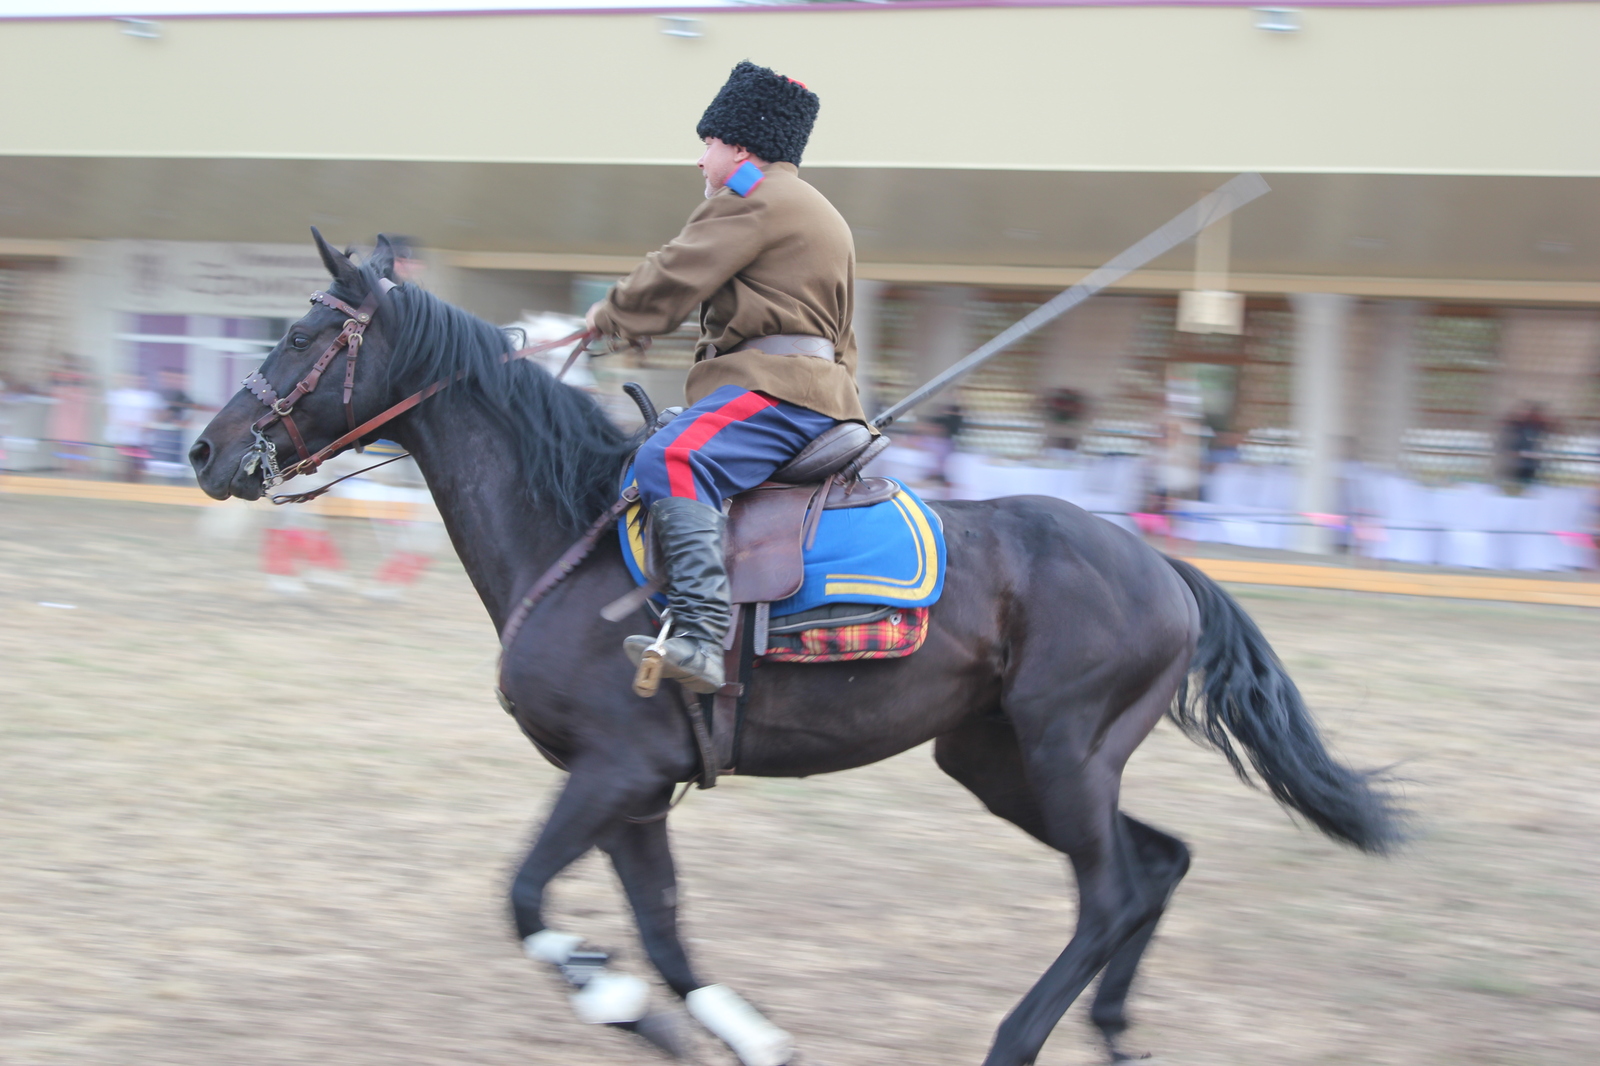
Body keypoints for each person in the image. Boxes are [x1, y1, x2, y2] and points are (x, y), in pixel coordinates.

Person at [584, 61, 867, 694]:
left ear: (739, 147)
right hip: (813, 390)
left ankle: (701, 637)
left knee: (673, 458)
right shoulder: (814, 208)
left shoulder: (754, 194)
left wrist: (608, 315)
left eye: (706, 143)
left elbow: (676, 271)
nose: (700, 160)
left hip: (778, 391)